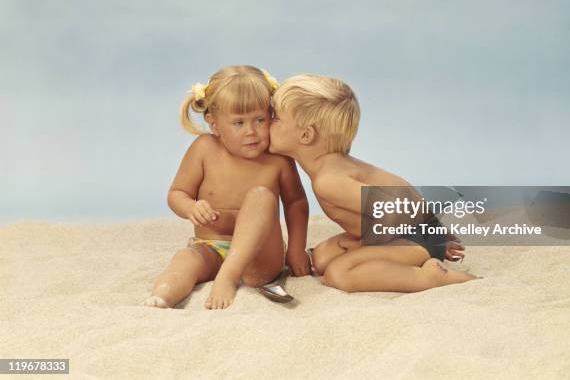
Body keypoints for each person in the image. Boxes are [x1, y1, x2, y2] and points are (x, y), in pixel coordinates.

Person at [268, 74, 480, 293]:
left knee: (338, 273)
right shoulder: (332, 167)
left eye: (275, 118)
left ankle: (429, 277)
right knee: (320, 258)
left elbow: (396, 208)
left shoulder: (329, 181)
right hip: (406, 232)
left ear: (305, 135)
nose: (267, 121)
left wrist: (435, 236)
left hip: (413, 239)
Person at [144, 65, 310, 310]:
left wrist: (296, 248)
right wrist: (191, 207)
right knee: (186, 259)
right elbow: (177, 194)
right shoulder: (204, 149)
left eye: (260, 119)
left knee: (261, 196)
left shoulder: (278, 159)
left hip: (260, 257)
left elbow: (296, 202)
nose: (251, 132)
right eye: (238, 123)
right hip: (211, 246)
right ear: (214, 124)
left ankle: (229, 275)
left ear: (271, 115)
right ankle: (162, 297)